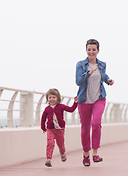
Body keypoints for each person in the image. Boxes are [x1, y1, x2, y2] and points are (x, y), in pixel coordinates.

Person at [75, 39, 115, 167]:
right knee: (85, 129)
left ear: (98, 51)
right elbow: (78, 81)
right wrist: (88, 72)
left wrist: (108, 80)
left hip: (99, 98)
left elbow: (102, 75)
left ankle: (95, 153)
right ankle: (86, 155)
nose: (91, 52)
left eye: (94, 49)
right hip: (84, 100)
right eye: (89, 49)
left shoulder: (102, 64)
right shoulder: (80, 65)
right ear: (86, 50)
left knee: (96, 123)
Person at [41, 88, 78, 167]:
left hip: (60, 129)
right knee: (50, 143)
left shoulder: (61, 106)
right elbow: (43, 118)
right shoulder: (47, 109)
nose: (52, 99)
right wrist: (43, 127)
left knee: (60, 144)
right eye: (50, 97)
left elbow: (71, 110)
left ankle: (62, 154)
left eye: (54, 97)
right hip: (50, 129)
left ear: (58, 98)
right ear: (47, 99)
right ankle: (49, 159)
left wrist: (75, 103)